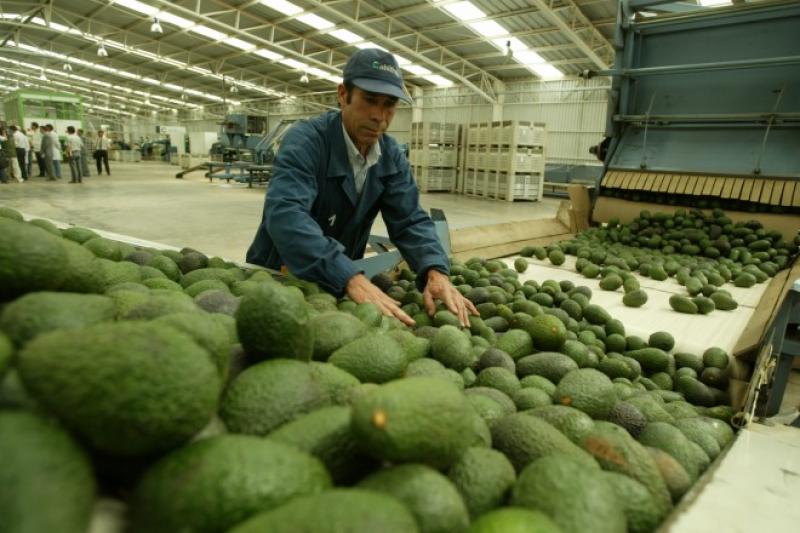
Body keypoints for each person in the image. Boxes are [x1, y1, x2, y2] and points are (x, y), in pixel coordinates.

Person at [246, 48, 477, 327]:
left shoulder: (390, 155)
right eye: (369, 100)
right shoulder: (307, 142)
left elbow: (409, 220)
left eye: (389, 104)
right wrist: (346, 275)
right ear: (343, 95)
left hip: (341, 280)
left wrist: (435, 270)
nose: (380, 116)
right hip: (279, 274)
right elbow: (285, 215)